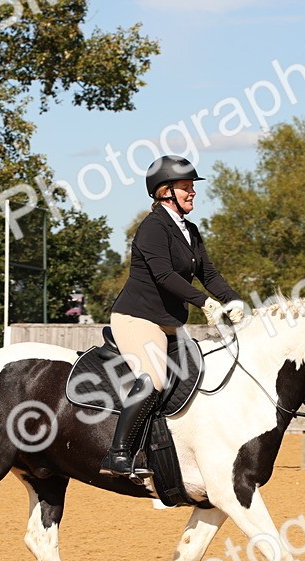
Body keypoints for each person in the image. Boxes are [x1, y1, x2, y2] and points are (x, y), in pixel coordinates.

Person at [100, 154, 245, 477]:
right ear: (165, 192)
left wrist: (234, 300)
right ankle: (118, 453)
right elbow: (164, 276)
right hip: (138, 318)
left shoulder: (190, 230)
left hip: (170, 323)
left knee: (201, 374)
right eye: (185, 187)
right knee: (153, 378)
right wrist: (205, 303)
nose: (193, 192)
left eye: (192, 186)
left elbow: (209, 274)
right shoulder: (152, 228)